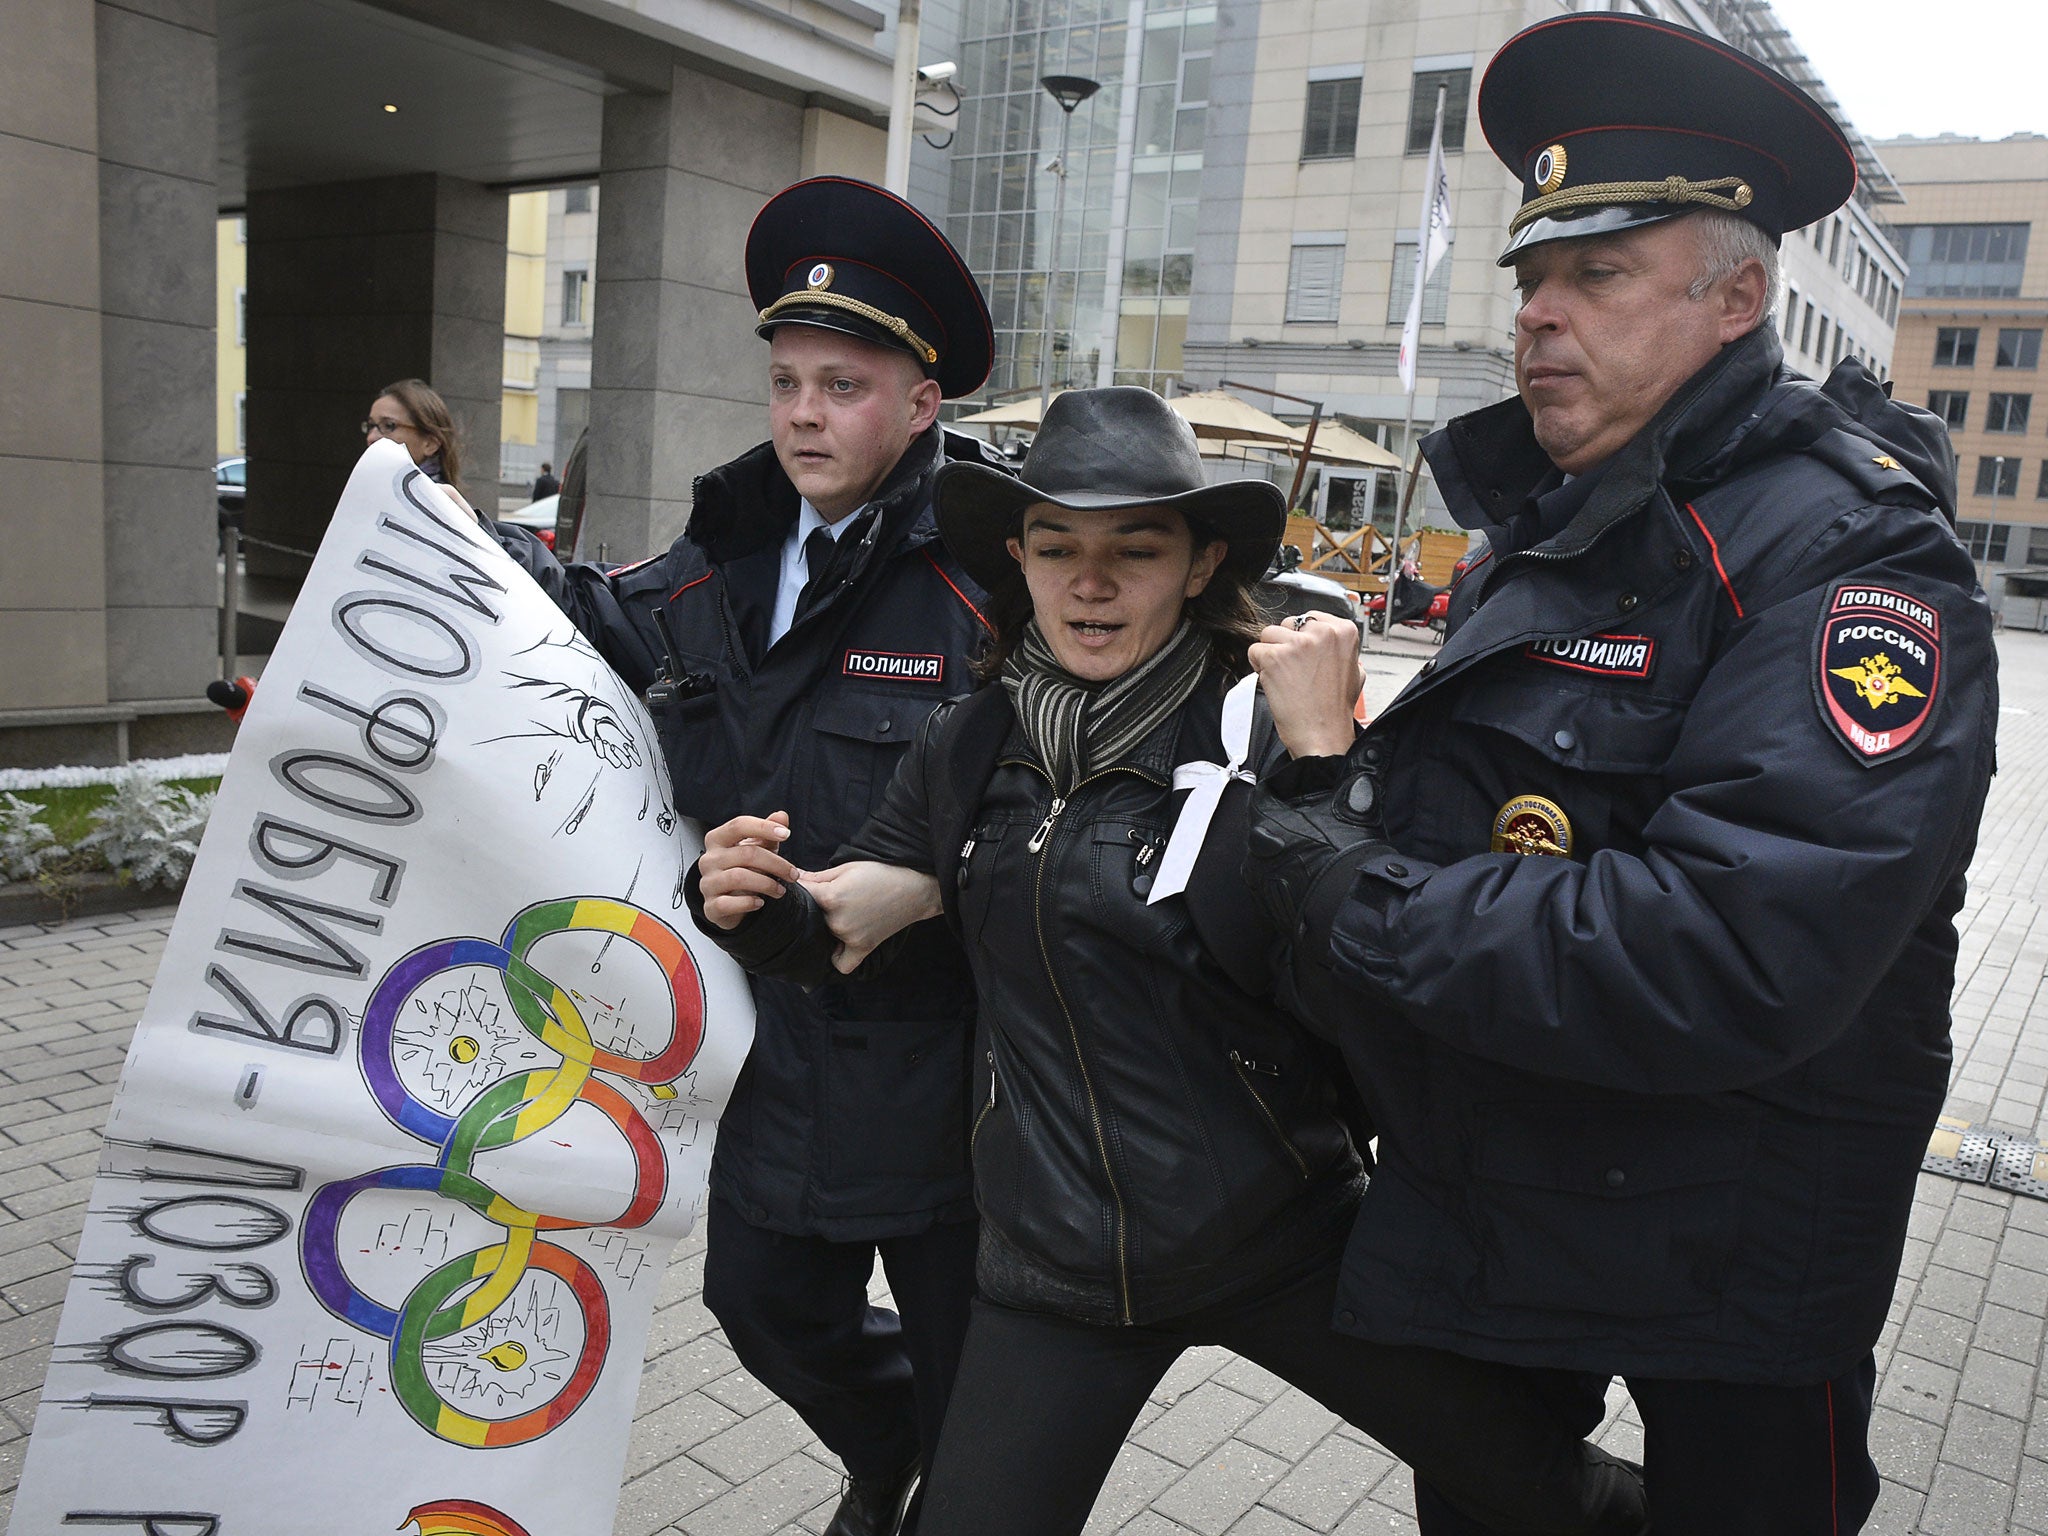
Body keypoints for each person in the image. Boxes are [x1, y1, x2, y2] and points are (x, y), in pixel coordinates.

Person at [1242, 16, 1998, 1536]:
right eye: (1531, 277)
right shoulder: (1554, 521)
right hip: (1506, 1200)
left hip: (1735, 1260)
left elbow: (1733, 948)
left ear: (1736, 298)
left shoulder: (1855, 560)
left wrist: (1348, 878)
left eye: (1597, 275)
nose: (1539, 317)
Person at [690, 387, 1649, 1536]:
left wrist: (1322, 760)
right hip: (1053, 1269)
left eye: (1132, 550)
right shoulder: (972, 741)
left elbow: (1373, 971)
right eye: (1057, 548)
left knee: (1553, 1495)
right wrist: (760, 905)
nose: (1088, 583)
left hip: (1281, 1234)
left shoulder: (1257, 729)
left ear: (1198, 566)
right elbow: (857, 911)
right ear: (1020, 557)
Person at [492, 176, 1006, 1536]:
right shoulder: (722, 559)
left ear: (921, 402)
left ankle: (934, 1472)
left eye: (841, 385)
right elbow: (595, 627)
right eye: (785, 381)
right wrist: (438, 553)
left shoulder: (988, 576)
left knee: (983, 1398)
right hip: (779, 1057)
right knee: (765, 1310)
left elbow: (1055, 793)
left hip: (952, 1069)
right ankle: (886, 1443)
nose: (800, 415)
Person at [365, 378, 464, 494]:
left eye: (389, 425)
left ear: (430, 443)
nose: (371, 438)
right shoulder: (370, 492)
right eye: (371, 426)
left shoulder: (441, 504)